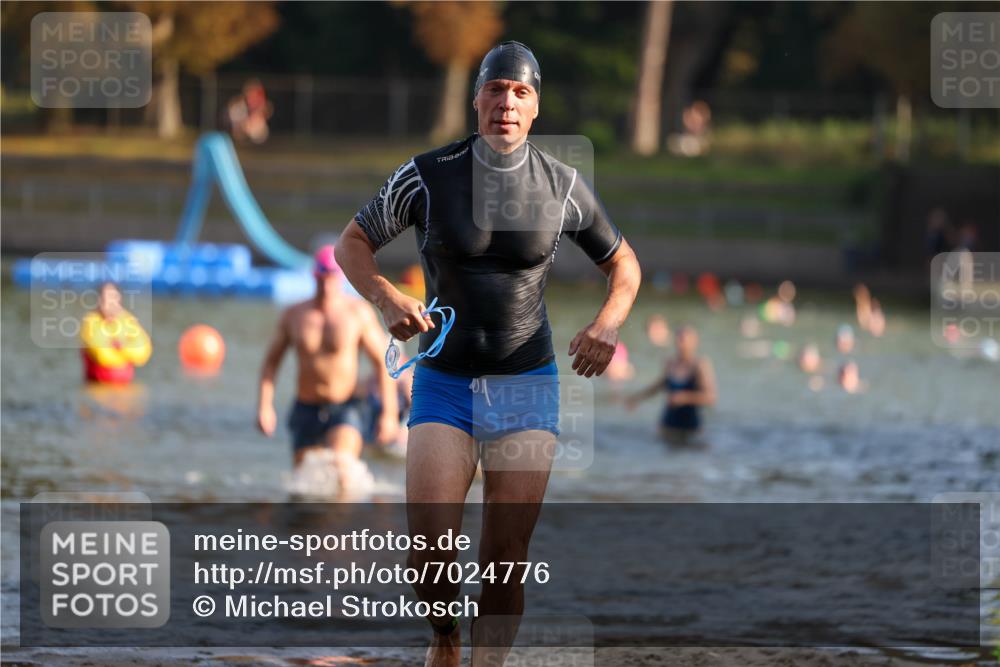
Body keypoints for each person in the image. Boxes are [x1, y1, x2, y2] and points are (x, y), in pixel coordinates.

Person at [335, 41, 641, 667]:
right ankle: (446, 638)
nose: (507, 102)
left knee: (505, 560)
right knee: (429, 554)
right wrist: (386, 296)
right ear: (477, 99)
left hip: (526, 383)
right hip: (444, 380)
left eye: (521, 92)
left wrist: (607, 324)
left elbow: (624, 264)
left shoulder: (563, 185)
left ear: (536, 107)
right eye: (497, 89)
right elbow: (353, 243)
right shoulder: (428, 175)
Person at [256, 245, 398, 492]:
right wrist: (264, 407)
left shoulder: (357, 313)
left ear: (340, 277)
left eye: (331, 278)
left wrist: (389, 414)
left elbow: (382, 363)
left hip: (346, 407)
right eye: (322, 278)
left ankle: (345, 516)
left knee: (342, 471)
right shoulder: (295, 315)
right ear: (315, 276)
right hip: (306, 407)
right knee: (305, 483)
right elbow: (271, 364)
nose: (326, 285)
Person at [626, 325, 716, 445]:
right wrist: (637, 398)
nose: (680, 344)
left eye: (683, 340)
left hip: (690, 426)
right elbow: (658, 386)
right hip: (668, 422)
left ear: (694, 342)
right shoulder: (671, 363)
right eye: (678, 339)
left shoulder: (699, 366)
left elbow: (710, 398)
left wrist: (684, 397)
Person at [80, 282, 152, 384]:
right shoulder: (91, 321)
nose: (110, 303)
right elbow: (102, 356)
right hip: (98, 386)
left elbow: (143, 353)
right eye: (106, 299)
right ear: (99, 301)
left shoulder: (127, 320)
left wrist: (120, 347)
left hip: (125, 387)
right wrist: (126, 347)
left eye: (113, 298)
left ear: (119, 299)